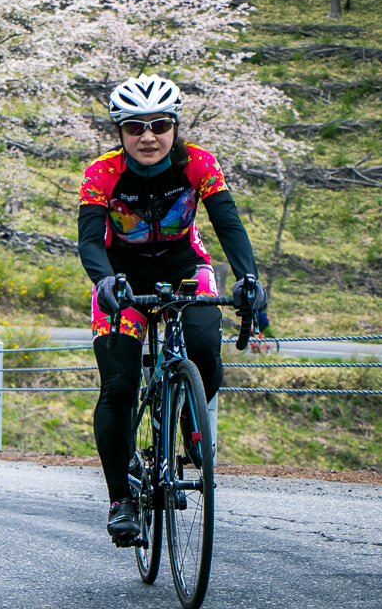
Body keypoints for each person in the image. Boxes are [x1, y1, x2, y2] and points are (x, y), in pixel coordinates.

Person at [77, 74, 267, 546]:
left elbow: (228, 222)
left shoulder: (199, 163)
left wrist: (248, 279)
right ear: (120, 132)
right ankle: (121, 499)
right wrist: (103, 281)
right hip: (121, 276)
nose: (148, 136)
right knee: (119, 386)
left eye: (160, 125)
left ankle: (189, 416)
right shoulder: (102, 172)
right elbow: (88, 238)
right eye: (135, 127)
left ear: (174, 127)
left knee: (204, 346)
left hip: (185, 266)